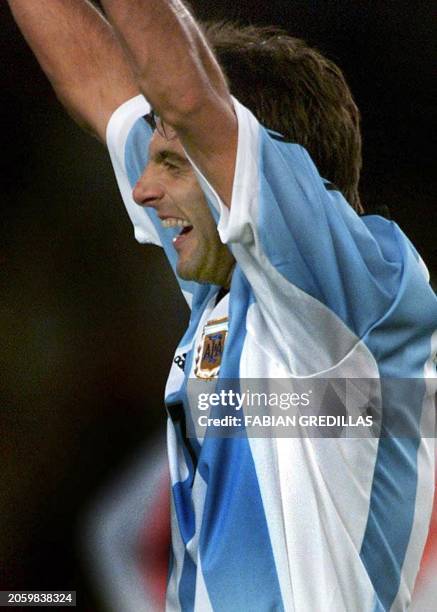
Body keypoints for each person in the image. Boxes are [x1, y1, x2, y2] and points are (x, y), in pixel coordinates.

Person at [7, 1, 437, 610]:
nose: (143, 189)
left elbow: (187, 97)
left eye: (172, 163)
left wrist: (193, 110)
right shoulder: (230, 290)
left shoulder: (355, 299)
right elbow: (94, 83)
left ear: (254, 170)